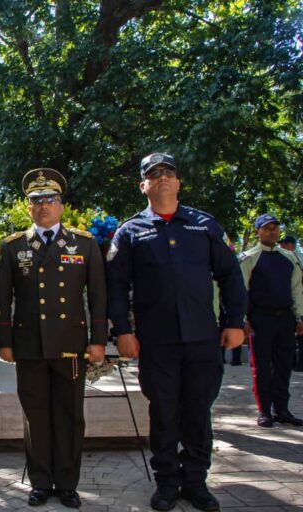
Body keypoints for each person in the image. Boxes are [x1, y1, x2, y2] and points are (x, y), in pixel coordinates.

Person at [106, 153, 246, 512]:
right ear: (143, 185)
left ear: (179, 181)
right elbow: (116, 287)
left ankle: (196, 482)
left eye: (169, 172)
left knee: (198, 412)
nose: (163, 178)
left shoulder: (205, 225)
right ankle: (167, 483)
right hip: (157, 342)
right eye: (154, 174)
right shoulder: (130, 232)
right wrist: (122, 331)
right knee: (164, 414)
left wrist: (233, 322)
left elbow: (231, 276)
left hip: (203, 338)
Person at [0, 168, 107, 509]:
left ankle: (68, 483)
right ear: (28, 207)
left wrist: (98, 340)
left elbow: (99, 296)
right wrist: (4, 340)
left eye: (50, 199)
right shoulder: (13, 247)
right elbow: (2, 299)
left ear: (61, 205)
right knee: (36, 415)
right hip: (29, 346)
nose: (43, 205)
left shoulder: (84, 244)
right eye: (36, 201)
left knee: (70, 415)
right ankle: (41, 481)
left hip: (70, 346)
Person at [238, 214, 303, 427]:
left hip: (285, 318)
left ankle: (282, 409)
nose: (272, 231)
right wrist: (243, 319)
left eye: (275, 228)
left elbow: (297, 289)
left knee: (284, 365)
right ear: (258, 231)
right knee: (262, 367)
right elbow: (241, 291)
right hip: (260, 319)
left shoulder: (290, 258)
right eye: (267, 228)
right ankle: (264, 410)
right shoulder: (249, 258)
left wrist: (299, 316)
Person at [279, 235, 303, 372]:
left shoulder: (296, 258)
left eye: (284, 243)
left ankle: (298, 363)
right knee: (291, 337)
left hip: (298, 300)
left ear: (291, 245)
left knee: (299, 336)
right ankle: (293, 362)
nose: (282, 246)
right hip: (291, 302)